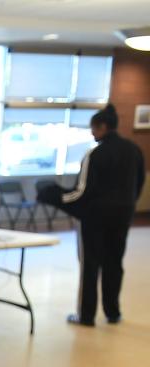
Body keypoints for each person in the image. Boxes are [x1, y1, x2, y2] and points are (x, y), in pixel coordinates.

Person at [57, 104, 144, 326]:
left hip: (95, 218)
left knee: (91, 264)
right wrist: (128, 204)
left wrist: (58, 198)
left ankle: (86, 316)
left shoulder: (95, 154)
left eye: (93, 129)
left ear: (103, 127)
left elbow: (82, 190)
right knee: (114, 262)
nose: (92, 134)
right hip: (123, 215)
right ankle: (113, 312)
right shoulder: (134, 150)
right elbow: (139, 182)